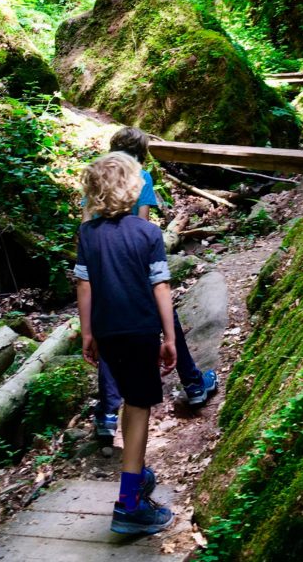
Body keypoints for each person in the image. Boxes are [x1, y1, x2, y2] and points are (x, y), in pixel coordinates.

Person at [92, 128, 218, 440]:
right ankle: (193, 384)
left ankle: (108, 413)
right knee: (166, 316)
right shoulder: (141, 177)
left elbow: (88, 222)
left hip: (102, 262)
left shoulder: (98, 177)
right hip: (134, 261)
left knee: (107, 333)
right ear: (141, 152)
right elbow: (142, 223)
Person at [76, 151, 176, 534]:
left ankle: (136, 478)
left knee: (131, 401)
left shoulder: (87, 233)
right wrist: (168, 337)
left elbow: (84, 284)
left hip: (107, 332)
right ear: (134, 189)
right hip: (140, 330)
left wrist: (87, 333)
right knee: (138, 407)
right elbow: (160, 284)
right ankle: (129, 504)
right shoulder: (148, 232)